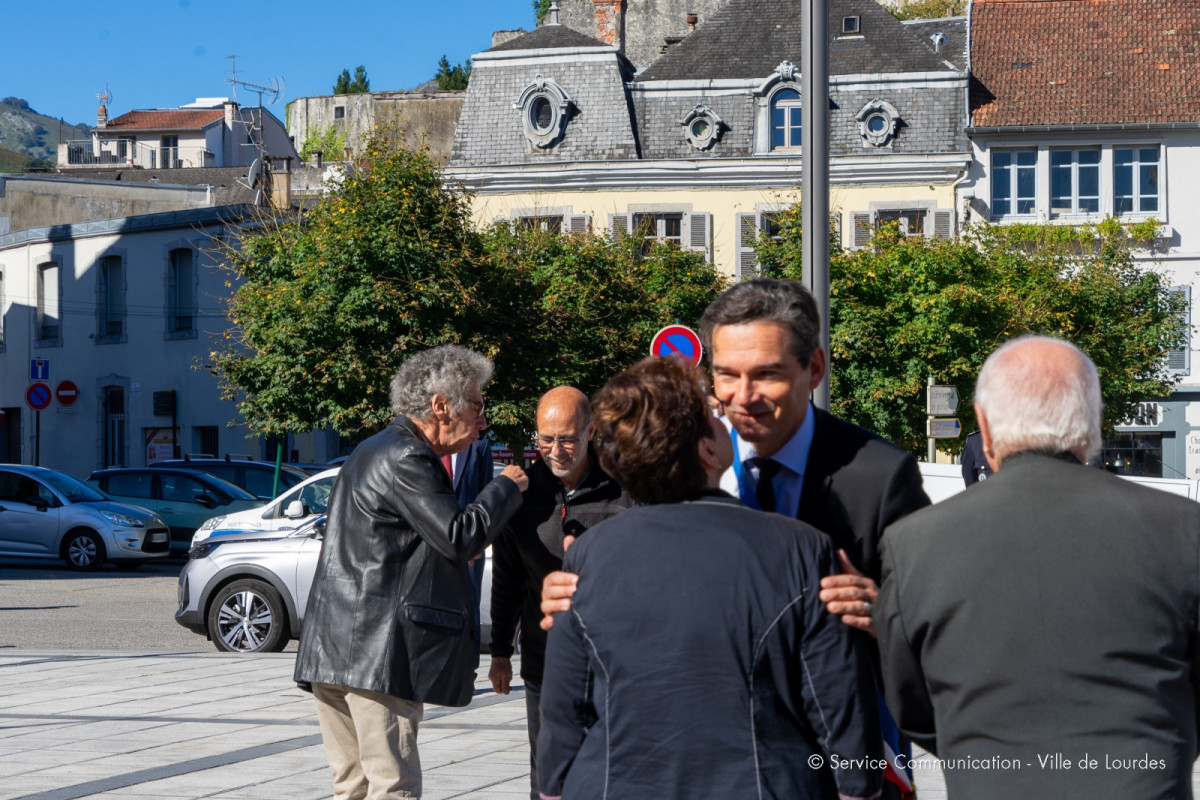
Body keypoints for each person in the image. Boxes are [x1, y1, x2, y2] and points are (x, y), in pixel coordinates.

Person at [537, 356, 883, 800]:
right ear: (706, 450)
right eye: (715, 418)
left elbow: (563, 714)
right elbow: (841, 709)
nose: (727, 426)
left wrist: (551, 791)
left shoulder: (586, 555)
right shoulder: (803, 549)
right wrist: (860, 791)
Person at [875, 336, 1200, 799]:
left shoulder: (914, 544)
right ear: (1094, 424)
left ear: (983, 428)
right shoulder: (1185, 528)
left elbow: (913, 707)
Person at [294, 344, 530, 800]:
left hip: (334, 651)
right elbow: (459, 535)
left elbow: (393, 545)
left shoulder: (370, 448)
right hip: (377, 658)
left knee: (353, 788)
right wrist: (505, 488)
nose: (483, 419)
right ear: (441, 405)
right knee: (392, 787)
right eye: (478, 405)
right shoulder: (407, 456)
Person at [488, 386, 631, 800]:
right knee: (548, 780)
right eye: (545, 439)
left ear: (590, 432)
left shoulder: (624, 490)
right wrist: (500, 652)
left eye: (566, 438)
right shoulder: (523, 495)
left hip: (613, 667)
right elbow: (509, 580)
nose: (555, 450)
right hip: (544, 667)